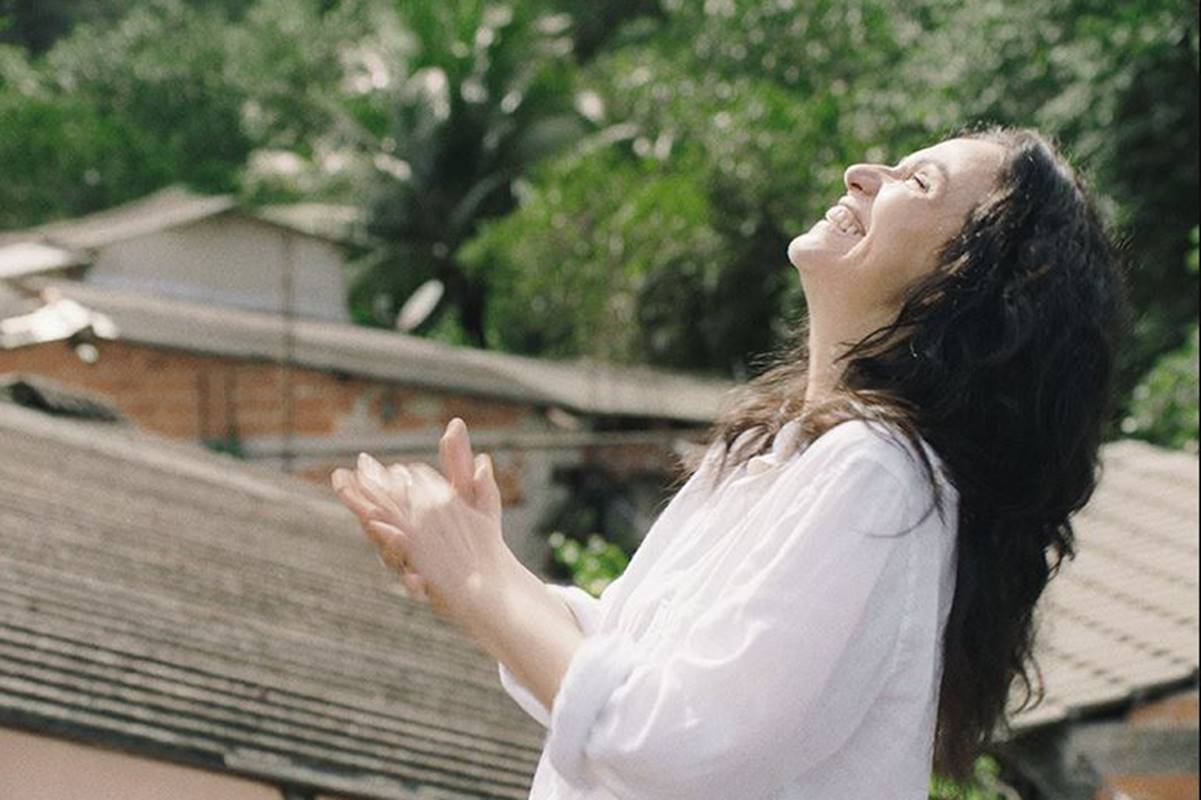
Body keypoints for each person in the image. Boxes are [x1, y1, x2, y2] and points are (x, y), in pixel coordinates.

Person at [331, 124, 1130, 799]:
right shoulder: (782, 455)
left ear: (967, 278)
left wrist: (481, 582)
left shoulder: (875, 474)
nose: (861, 173)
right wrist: (475, 567)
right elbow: (632, 666)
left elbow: (678, 742)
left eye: (915, 182)